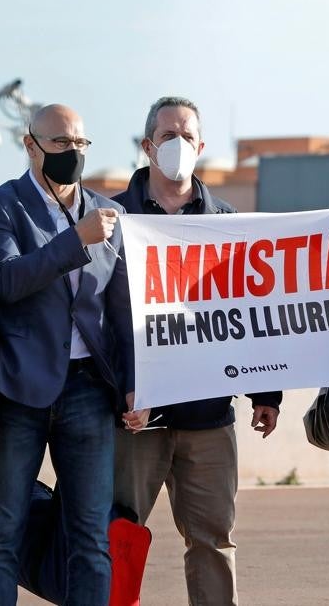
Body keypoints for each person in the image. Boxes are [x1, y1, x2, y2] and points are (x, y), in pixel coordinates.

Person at [0, 103, 147, 605]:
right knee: (0, 536)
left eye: (80, 144)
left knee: (90, 539)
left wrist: (135, 383)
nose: (73, 153)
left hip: (89, 391)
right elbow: (5, 283)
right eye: (61, 143)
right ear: (31, 145)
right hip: (19, 393)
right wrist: (76, 240)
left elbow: (122, 311)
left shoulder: (111, 215)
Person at [112, 96, 282, 606]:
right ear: (147, 146)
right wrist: (121, 390)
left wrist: (264, 393)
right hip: (135, 417)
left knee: (213, 541)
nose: (178, 146)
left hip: (209, 417)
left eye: (188, 137)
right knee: (117, 537)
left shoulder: (227, 222)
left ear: (202, 147)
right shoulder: (112, 219)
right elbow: (96, 320)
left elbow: (246, 314)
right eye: (168, 137)